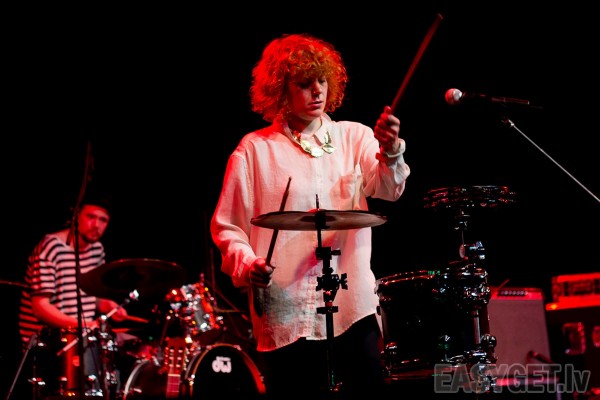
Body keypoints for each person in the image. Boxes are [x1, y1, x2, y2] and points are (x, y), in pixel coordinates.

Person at [210, 33, 410, 399]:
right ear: (280, 90)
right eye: (304, 83)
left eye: (321, 80)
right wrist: (249, 263)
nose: (317, 90)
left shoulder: (354, 137)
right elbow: (228, 227)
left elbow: (388, 188)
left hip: (351, 304)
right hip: (286, 307)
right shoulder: (255, 150)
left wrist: (391, 149)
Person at [17, 186, 129, 398]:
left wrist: (108, 305)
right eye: (90, 217)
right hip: (46, 344)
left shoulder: (97, 250)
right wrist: (81, 325)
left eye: (103, 220)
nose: (96, 225)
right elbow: (40, 307)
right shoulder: (51, 247)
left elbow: (92, 297)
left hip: (79, 337)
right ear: (76, 215)